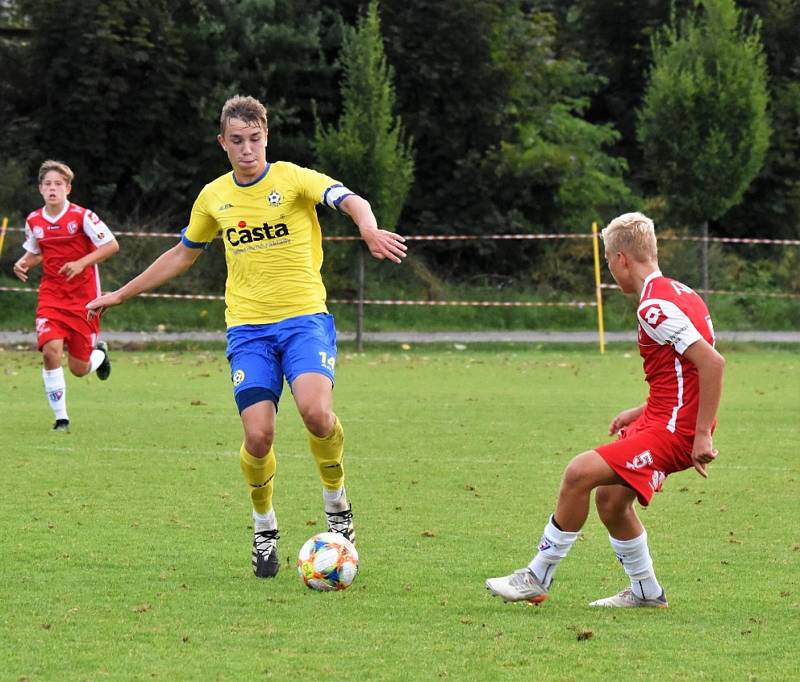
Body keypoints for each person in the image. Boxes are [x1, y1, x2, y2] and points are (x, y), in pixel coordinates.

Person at [86, 95, 407, 578]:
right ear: (223, 143)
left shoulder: (293, 179)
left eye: (254, 139)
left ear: (266, 137)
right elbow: (182, 254)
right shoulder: (213, 197)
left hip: (303, 320)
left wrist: (368, 228)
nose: (247, 148)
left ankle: (336, 503)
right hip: (248, 330)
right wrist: (122, 294)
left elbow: (350, 199)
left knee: (317, 414)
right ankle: (264, 528)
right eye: (236, 141)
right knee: (258, 436)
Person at [486, 212, 725, 608]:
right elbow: (682, 373)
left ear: (620, 260)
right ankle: (647, 592)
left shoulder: (654, 307)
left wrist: (700, 434)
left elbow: (712, 364)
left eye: (610, 263)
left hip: (675, 429)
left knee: (579, 472)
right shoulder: (681, 292)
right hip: (665, 417)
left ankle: (537, 575)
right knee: (611, 501)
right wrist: (643, 409)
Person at [13, 160, 118, 433]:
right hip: (51, 297)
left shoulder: (83, 217)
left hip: (84, 298)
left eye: (58, 184)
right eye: (47, 184)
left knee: (80, 369)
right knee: (50, 352)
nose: (52, 188)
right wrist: (23, 262)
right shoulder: (34, 221)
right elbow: (37, 252)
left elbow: (111, 245)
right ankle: (61, 419)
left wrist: (82, 262)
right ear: (40, 189)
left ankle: (100, 356)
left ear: (68, 188)